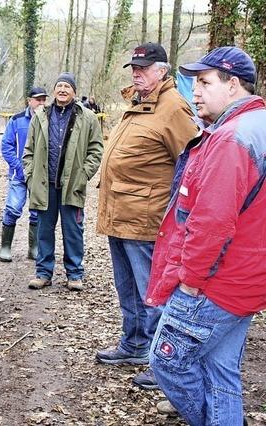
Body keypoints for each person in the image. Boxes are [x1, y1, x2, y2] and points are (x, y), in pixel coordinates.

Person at [146, 46, 266, 425]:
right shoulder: (257, 125)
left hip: (218, 282)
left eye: (204, 82)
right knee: (221, 373)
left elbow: (211, 221)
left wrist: (191, 281)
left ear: (233, 86)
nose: (194, 91)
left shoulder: (233, 138)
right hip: (248, 277)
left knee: (166, 359)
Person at [95, 43, 198, 390]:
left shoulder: (173, 108)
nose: (137, 73)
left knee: (152, 293)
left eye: (144, 67)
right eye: (134, 68)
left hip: (147, 218)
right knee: (128, 290)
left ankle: (162, 360)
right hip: (120, 213)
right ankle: (135, 344)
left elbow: (192, 165)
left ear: (162, 71)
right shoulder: (139, 103)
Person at [23, 72, 103, 292]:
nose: (62, 90)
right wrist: (30, 176)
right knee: (44, 230)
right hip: (44, 184)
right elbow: (28, 150)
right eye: (59, 86)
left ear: (74, 92)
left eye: (67, 86)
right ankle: (43, 273)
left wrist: (84, 174)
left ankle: (75, 274)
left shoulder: (87, 117)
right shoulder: (40, 115)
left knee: (73, 230)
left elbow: (96, 149)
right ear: (54, 90)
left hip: (72, 185)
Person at [0, 87, 48, 262]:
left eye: (43, 100)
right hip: (18, 175)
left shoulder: (49, 119)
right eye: (37, 100)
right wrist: (19, 167)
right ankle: (5, 246)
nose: (41, 103)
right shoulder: (17, 120)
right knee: (13, 208)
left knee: (36, 212)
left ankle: (33, 248)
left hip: (40, 176)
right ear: (29, 101)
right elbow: (6, 146)